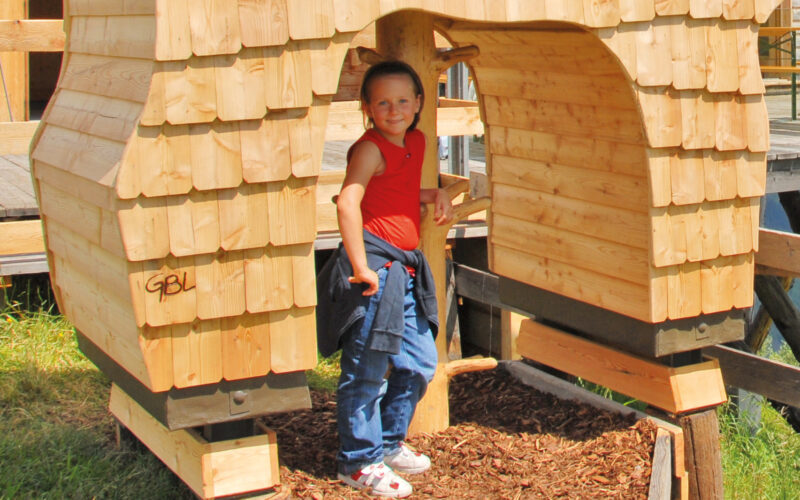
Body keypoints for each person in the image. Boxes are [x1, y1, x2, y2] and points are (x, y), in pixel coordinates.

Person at [316, 60, 453, 498]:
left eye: (401, 101)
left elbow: (391, 192)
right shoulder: (370, 148)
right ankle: (358, 461)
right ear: (368, 108)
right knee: (367, 369)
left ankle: (389, 443)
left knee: (418, 362)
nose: (393, 110)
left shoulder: (414, 141)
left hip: (405, 268)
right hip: (377, 269)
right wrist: (359, 266)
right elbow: (348, 203)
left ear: (417, 103)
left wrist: (433, 194)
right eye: (382, 103)